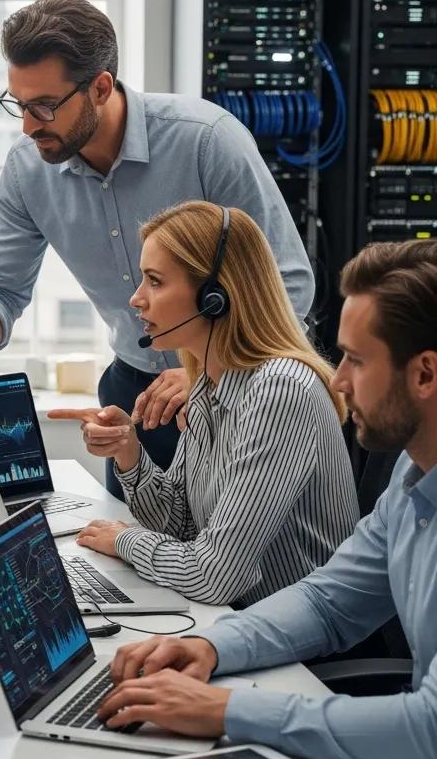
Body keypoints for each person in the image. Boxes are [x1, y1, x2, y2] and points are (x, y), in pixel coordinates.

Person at [0, 0, 313, 498]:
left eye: (44, 106)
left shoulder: (206, 141)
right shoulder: (27, 169)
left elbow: (289, 281)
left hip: (237, 387)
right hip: (133, 392)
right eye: (18, 105)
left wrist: (211, 371)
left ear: (100, 87)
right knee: (125, 541)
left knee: (227, 546)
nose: (28, 126)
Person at [95, 239, 437, 759]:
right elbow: (328, 601)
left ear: (425, 375)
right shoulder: (412, 476)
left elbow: (430, 731)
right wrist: (207, 646)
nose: (338, 381)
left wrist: (228, 711)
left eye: (356, 359)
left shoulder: (281, 390)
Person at [49, 202, 356, 607]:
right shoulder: (209, 384)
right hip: (241, 618)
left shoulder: (280, 391)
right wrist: (128, 452)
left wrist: (124, 540)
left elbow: (216, 576)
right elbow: (181, 523)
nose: (136, 299)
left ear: (216, 297)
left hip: (299, 637)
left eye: (155, 282)